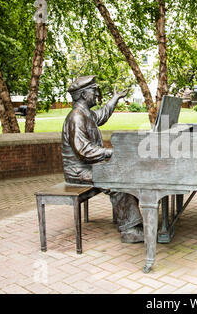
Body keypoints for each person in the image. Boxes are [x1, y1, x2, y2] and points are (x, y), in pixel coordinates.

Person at [61, 75, 144, 243]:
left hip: (90, 166)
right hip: (78, 171)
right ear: (84, 95)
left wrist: (115, 98)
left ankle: (130, 221)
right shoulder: (76, 117)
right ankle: (130, 230)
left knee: (126, 173)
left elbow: (103, 114)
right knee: (117, 180)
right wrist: (109, 152)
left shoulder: (86, 114)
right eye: (93, 90)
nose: (96, 94)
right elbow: (84, 151)